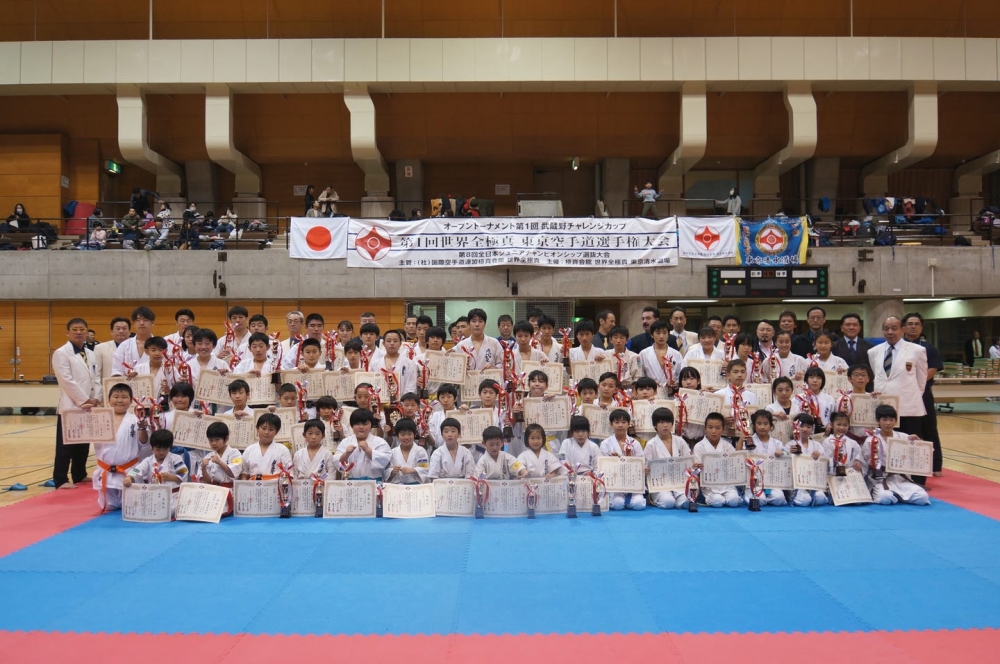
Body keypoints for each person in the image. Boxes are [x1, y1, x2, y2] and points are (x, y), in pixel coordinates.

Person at [51, 318, 103, 489]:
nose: (79, 332)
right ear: (67, 332)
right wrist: (83, 400)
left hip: (89, 404)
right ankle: (61, 478)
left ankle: (79, 474)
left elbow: (95, 377)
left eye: (82, 329)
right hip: (71, 405)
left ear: (87, 332)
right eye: (75, 329)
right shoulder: (61, 353)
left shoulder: (90, 353)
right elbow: (66, 380)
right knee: (66, 444)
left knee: (83, 442)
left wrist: (95, 398)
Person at [868, 316, 928, 442]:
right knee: (885, 446)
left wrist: (911, 397)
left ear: (903, 330)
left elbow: (921, 380)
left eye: (894, 328)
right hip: (884, 408)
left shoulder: (917, 350)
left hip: (908, 408)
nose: (890, 332)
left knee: (910, 445)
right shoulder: (873, 352)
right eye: (886, 329)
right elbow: (878, 375)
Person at [93, 383, 149, 511]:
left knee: (130, 507)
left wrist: (142, 428)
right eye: (116, 397)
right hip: (106, 469)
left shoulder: (136, 419)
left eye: (124, 397)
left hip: (128, 470)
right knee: (109, 506)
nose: (119, 400)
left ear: (131, 401)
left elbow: (144, 442)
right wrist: (84, 412)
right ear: (109, 399)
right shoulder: (98, 418)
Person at [902, 313, 944, 481]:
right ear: (903, 327)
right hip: (903, 393)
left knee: (929, 428)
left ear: (921, 327)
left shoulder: (928, 348)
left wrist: (914, 382)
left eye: (916, 324)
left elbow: (933, 369)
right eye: (910, 324)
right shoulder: (899, 346)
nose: (913, 327)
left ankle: (935, 464)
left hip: (922, 392)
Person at [860, 405, 930, 506]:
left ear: (896, 421)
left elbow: (921, 456)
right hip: (881, 480)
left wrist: (918, 444)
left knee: (922, 497)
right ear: (878, 421)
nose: (888, 423)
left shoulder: (904, 437)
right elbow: (865, 464)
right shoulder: (871, 440)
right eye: (884, 419)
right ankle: (891, 495)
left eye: (891, 419)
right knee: (885, 498)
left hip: (901, 479)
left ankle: (897, 495)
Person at [124, 430, 188, 515]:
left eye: (165, 449)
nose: (161, 452)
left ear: (170, 447)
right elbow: (138, 469)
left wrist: (171, 477)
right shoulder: (149, 460)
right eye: (158, 449)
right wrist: (129, 477)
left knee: (170, 511)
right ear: (152, 447)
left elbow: (184, 472)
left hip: (173, 495)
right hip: (153, 495)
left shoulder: (175, 458)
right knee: (140, 509)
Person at [643, 407, 693, 509]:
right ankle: (668, 499)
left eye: (668, 422)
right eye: (661, 422)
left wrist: (693, 466)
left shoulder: (680, 441)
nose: (665, 425)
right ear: (655, 425)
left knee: (687, 500)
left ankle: (680, 500)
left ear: (672, 424)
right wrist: (645, 469)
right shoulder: (651, 444)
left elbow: (689, 461)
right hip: (660, 483)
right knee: (668, 502)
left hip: (679, 480)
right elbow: (645, 465)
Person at [599, 409, 646, 511]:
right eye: (617, 422)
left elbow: (642, 462)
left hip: (632, 482)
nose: (620, 425)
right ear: (611, 424)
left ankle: (630, 500)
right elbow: (602, 468)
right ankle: (623, 501)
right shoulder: (606, 443)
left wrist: (638, 464)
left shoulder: (635, 443)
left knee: (639, 504)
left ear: (629, 424)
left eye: (624, 422)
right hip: (615, 483)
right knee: (618, 504)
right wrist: (612, 461)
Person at [692, 412, 741, 507]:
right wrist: (697, 467)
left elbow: (736, 462)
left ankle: (730, 497)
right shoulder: (699, 447)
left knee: (734, 501)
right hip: (709, 485)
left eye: (718, 428)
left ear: (723, 429)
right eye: (710, 428)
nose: (714, 431)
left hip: (726, 483)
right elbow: (695, 470)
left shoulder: (727, 446)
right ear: (705, 428)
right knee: (717, 501)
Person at [745, 410, 788, 506]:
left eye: (766, 424)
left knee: (779, 499)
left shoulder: (777, 443)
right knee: (759, 501)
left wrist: (782, 453)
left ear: (771, 426)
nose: (762, 427)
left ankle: (766, 497)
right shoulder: (749, 442)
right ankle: (756, 496)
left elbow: (787, 455)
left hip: (772, 480)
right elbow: (742, 458)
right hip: (754, 480)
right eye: (759, 423)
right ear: (754, 426)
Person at [336, 409, 392, 479]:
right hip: (350, 483)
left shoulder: (380, 442)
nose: (361, 427)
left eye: (365, 424)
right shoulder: (345, 442)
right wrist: (346, 454)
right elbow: (337, 464)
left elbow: (385, 461)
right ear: (352, 425)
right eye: (357, 424)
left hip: (374, 483)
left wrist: (368, 450)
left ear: (371, 425)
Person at [786, 413, 828, 507]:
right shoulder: (790, 445)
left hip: (813, 479)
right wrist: (790, 453)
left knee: (820, 498)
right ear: (795, 427)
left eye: (808, 427)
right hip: (797, 482)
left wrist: (819, 456)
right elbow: (785, 465)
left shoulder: (817, 445)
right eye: (801, 426)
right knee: (804, 501)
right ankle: (792, 496)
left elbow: (824, 463)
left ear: (812, 428)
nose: (805, 429)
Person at [639, 319, 684, 396]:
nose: (661, 336)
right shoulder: (643, 354)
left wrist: (676, 383)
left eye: (664, 333)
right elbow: (640, 375)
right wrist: (649, 382)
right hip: (650, 393)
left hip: (670, 394)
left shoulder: (676, 354)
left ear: (668, 334)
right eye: (658, 333)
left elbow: (681, 374)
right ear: (652, 335)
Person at [240, 413, 292, 479]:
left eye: (271, 429)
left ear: (276, 431)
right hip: (253, 486)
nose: (266, 432)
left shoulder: (282, 450)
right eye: (263, 428)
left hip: (275, 486)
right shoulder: (249, 450)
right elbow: (244, 472)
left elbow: (289, 471)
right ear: (257, 428)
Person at [112, 306, 156, 376]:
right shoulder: (124, 345)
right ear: (134, 324)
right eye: (138, 320)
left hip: (154, 384)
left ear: (152, 323)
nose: (141, 323)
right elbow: (117, 370)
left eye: (145, 319)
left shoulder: (161, 345)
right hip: (128, 385)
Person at [385, 418, 429, 484]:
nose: (406, 437)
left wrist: (413, 470)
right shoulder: (393, 452)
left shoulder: (420, 451)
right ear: (397, 435)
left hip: (416, 487)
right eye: (402, 434)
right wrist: (392, 472)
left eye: (409, 434)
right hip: (397, 487)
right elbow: (386, 472)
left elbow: (425, 469)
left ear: (414, 434)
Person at [823, 411, 863, 481]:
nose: (842, 427)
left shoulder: (853, 443)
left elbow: (859, 456)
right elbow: (825, 460)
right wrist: (835, 463)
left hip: (850, 475)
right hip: (833, 476)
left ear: (848, 426)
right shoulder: (828, 442)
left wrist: (858, 462)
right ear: (832, 425)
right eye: (838, 424)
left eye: (845, 425)